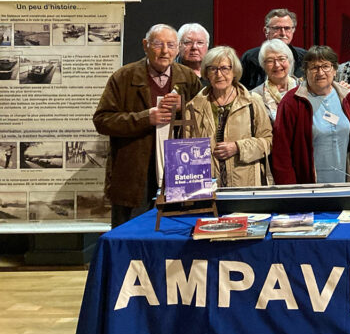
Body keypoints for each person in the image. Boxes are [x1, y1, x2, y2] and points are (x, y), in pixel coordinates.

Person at [93, 24, 202, 227]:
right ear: (145, 45)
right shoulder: (124, 77)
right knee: (131, 234)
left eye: (171, 45)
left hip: (178, 170)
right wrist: (145, 119)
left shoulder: (188, 78)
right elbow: (102, 121)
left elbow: (205, 121)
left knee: (176, 231)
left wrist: (185, 107)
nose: (164, 51)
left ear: (177, 48)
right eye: (158, 44)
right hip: (134, 173)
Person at [182, 46, 273, 187]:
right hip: (206, 189)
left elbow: (268, 141)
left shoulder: (252, 101)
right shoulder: (193, 107)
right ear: (206, 73)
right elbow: (184, 151)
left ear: (234, 71)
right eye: (213, 69)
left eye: (225, 68)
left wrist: (238, 147)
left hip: (245, 186)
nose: (219, 74)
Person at [272, 46, 350, 184]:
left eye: (326, 66)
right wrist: (289, 190)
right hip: (308, 185)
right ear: (305, 71)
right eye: (314, 67)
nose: (320, 72)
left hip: (344, 182)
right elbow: (281, 152)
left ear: (335, 69)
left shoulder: (347, 98)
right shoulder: (292, 102)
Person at [240, 8, 307, 89]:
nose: (283, 33)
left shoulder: (305, 57)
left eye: (287, 28)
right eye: (277, 28)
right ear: (266, 31)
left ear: (293, 30)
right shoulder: (250, 58)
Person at [250, 39, 299, 123]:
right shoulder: (254, 96)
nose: (277, 65)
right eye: (270, 61)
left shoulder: (305, 88)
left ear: (289, 61)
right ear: (263, 65)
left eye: (281, 59)